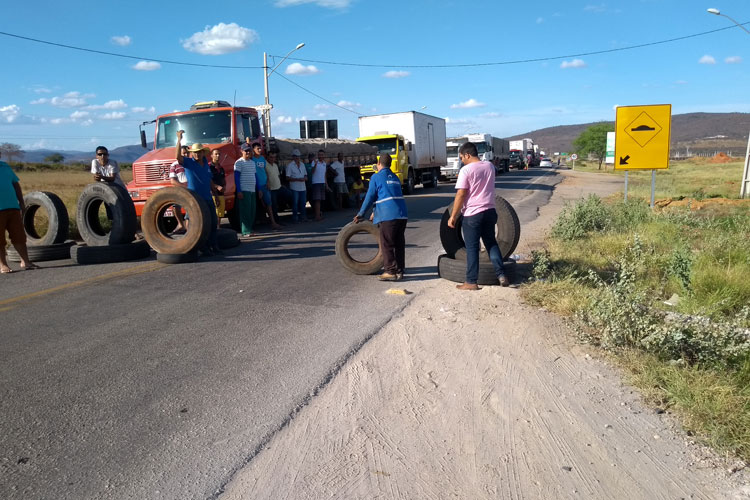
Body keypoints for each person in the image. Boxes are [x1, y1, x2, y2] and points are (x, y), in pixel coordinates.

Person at [448, 141, 509, 290]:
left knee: (472, 248)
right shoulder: (489, 166)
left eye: (462, 157)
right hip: (490, 211)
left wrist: (453, 216)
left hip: (473, 214)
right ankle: (501, 274)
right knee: (491, 243)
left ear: (467, 155)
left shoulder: (466, 170)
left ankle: (471, 281)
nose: (462, 161)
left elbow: (461, 193)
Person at [354, 154, 408, 281]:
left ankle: (390, 271)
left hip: (389, 216)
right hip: (402, 214)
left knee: (387, 243)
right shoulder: (394, 177)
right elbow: (386, 195)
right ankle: (400, 270)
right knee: (399, 243)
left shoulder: (376, 177)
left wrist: (361, 213)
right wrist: (375, 212)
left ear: (379, 163)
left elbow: (370, 196)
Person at [174, 131, 221, 255]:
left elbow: (209, 179)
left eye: (199, 152)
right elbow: (178, 157)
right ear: (192, 153)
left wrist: (215, 195)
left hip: (208, 197)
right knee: (198, 224)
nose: (197, 154)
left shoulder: (206, 163)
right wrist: (179, 140)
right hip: (194, 199)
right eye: (195, 152)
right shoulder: (188, 162)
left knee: (212, 223)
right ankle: (202, 247)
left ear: (202, 152)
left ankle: (213, 246)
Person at [1, 151, 39, 273]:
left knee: (19, 236)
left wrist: (21, 202)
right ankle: (3, 265)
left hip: (12, 207)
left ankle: (25, 262)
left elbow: (15, 184)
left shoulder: (5, 166)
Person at [251, 142, 281, 230]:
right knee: (257, 205)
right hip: (257, 186)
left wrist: (267, 181)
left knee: (269, 204)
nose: (260, 150)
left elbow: (265, 171)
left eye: (260, 148)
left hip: (264, 184)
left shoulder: (262, 159)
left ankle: (273, 223)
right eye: (257, 149)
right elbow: (253, 174)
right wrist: (258, 188)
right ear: (253, 150)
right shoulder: (252, 160)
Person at [234, 143, 257, 237]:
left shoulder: (252, 162)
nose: (248, 152)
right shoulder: (238, 162)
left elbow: (255, 176)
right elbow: (236, 177)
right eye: (246, 150)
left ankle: (250, 229)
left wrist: (258, 189)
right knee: (245, 211)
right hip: (244, 189)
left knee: (252, 210)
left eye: (249, 150)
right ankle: (245, 231)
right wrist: (239, 191)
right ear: (241, 151)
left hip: (252, 190)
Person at [169, 145, 189, 233]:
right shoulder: (174, 165)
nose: (186, 155)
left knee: (192, 208)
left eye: (188, 153)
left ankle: (189, 227)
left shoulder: (192, 163)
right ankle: (181, 224)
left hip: (192, 190)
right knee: (175, 206)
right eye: (184, 153)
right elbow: (172, 181)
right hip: (180, 189)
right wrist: (183, 186)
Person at [285, 149, 308, 223]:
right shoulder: (290, 166)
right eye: (295, 156)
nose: (297, 158)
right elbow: (287, 177)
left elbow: (305, 174)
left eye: (298, 156)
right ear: (293, 157)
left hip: (303, 187)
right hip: (295, 187)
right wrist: (297, 179)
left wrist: (304, 178)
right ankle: (295, 218)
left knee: (303, 202)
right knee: (295, 203)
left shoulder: (302, 164)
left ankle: (303, 217)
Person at [265, 150, 288, 224]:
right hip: (271, 189)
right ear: (267, 157)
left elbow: (278, 176)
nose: (272, 159)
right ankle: (276, 221)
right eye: (271, 157)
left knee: (290, 195)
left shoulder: (275, 165)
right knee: (273, 206)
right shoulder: (265, 165)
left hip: (279, 187)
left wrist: (281, 184)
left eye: (274, 157)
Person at [209, 148, 226, 228]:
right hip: (212, 193)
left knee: (220, 213)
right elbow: (208, 180)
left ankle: (218, 228)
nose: (218, 156)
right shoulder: (209, 167)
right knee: (213, 212)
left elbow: (223, 179)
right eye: (216, 154)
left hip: (221, 193)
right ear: (212, 155)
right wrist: (216, 186)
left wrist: (224, 186)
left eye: (219, 154)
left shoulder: (221, 168)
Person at [310, 149, 329, 221]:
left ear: (324, 155)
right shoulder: (314, 162)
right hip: (316, 183)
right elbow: (312, 172)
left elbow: (324, 175)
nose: (320, 156)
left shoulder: (324, 163)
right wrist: (315, 165)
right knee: (317, 200)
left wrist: (326, 184)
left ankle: (319, 214)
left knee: (320, 200)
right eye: (319, 155)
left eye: (322, 155)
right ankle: (317, 216)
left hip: (322, 183)